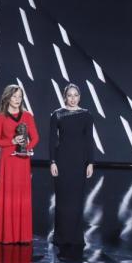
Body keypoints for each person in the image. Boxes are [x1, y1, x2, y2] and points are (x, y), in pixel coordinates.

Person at [0, 84, 38, 244]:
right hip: (8, 161)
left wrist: (27, 149)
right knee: (8, 195)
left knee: (22, 196)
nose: (17, 100)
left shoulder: (28, 116)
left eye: (19, 97)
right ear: (7, 97)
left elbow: (36, 138)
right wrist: (12, 141)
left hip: (22, 161)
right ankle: (7, 235)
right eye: (14, 96)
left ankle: (22, 236)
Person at [49, 83, 94, 247]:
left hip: (79, 162)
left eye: (76, 95)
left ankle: (75, 237)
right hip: (62, 161)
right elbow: (52, 141)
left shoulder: (86, 115)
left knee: (77, 200)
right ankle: (60, 236)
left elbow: (90, 140)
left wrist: (90, 162)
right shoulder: (57, 114)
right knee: (62, 199)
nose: (73, 98)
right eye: (70, 95)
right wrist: (52, 161)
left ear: (79, 97)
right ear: (65, 97)